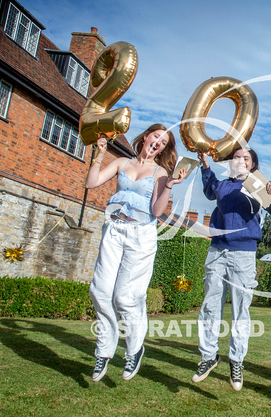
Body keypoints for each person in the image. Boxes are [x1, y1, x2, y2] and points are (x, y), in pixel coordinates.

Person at [85, 124, 186, 382]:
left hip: (140, 235)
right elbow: (91, 182)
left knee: (126, 297)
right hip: (114, 229)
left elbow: (156, 211)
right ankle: (104, 351)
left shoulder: (161, 172)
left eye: (163, 143)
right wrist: (99, 153)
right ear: (145, 137)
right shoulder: (121, 162)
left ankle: (134, 349)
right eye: (156, 137)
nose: (157, 144)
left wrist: (169, 186)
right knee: (100, 290)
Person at [192, 147, 271, 391]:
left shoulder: (257, 185)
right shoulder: (223, 186)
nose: (240, 160)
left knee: (240, 311)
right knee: (210, 306)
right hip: (217, 251)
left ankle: (236, 361)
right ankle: (208, 356)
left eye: (245, 157)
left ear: (253, 164)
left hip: (244, 254)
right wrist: (205, 165)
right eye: (236, 157)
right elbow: (209, 188)